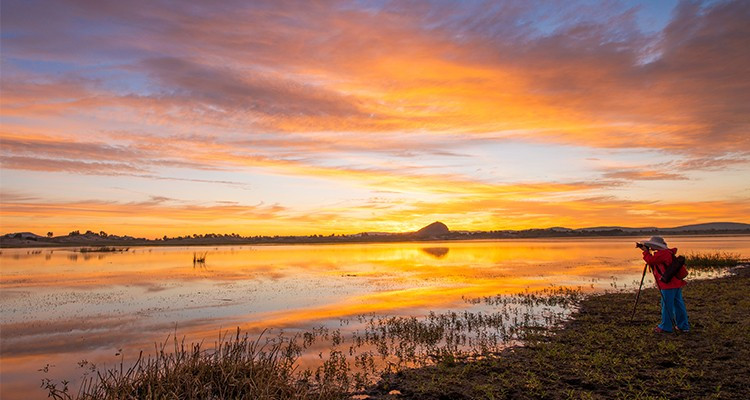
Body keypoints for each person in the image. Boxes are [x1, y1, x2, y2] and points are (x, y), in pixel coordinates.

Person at [637, 236, 690, 333]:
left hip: (668, 284)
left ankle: (666, 327)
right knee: (678, 304)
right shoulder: (667, 252)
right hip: (675, 283)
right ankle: (683, 326)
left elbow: (650, 260)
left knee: (666, 305)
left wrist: (645, 252)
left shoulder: (662, 254)